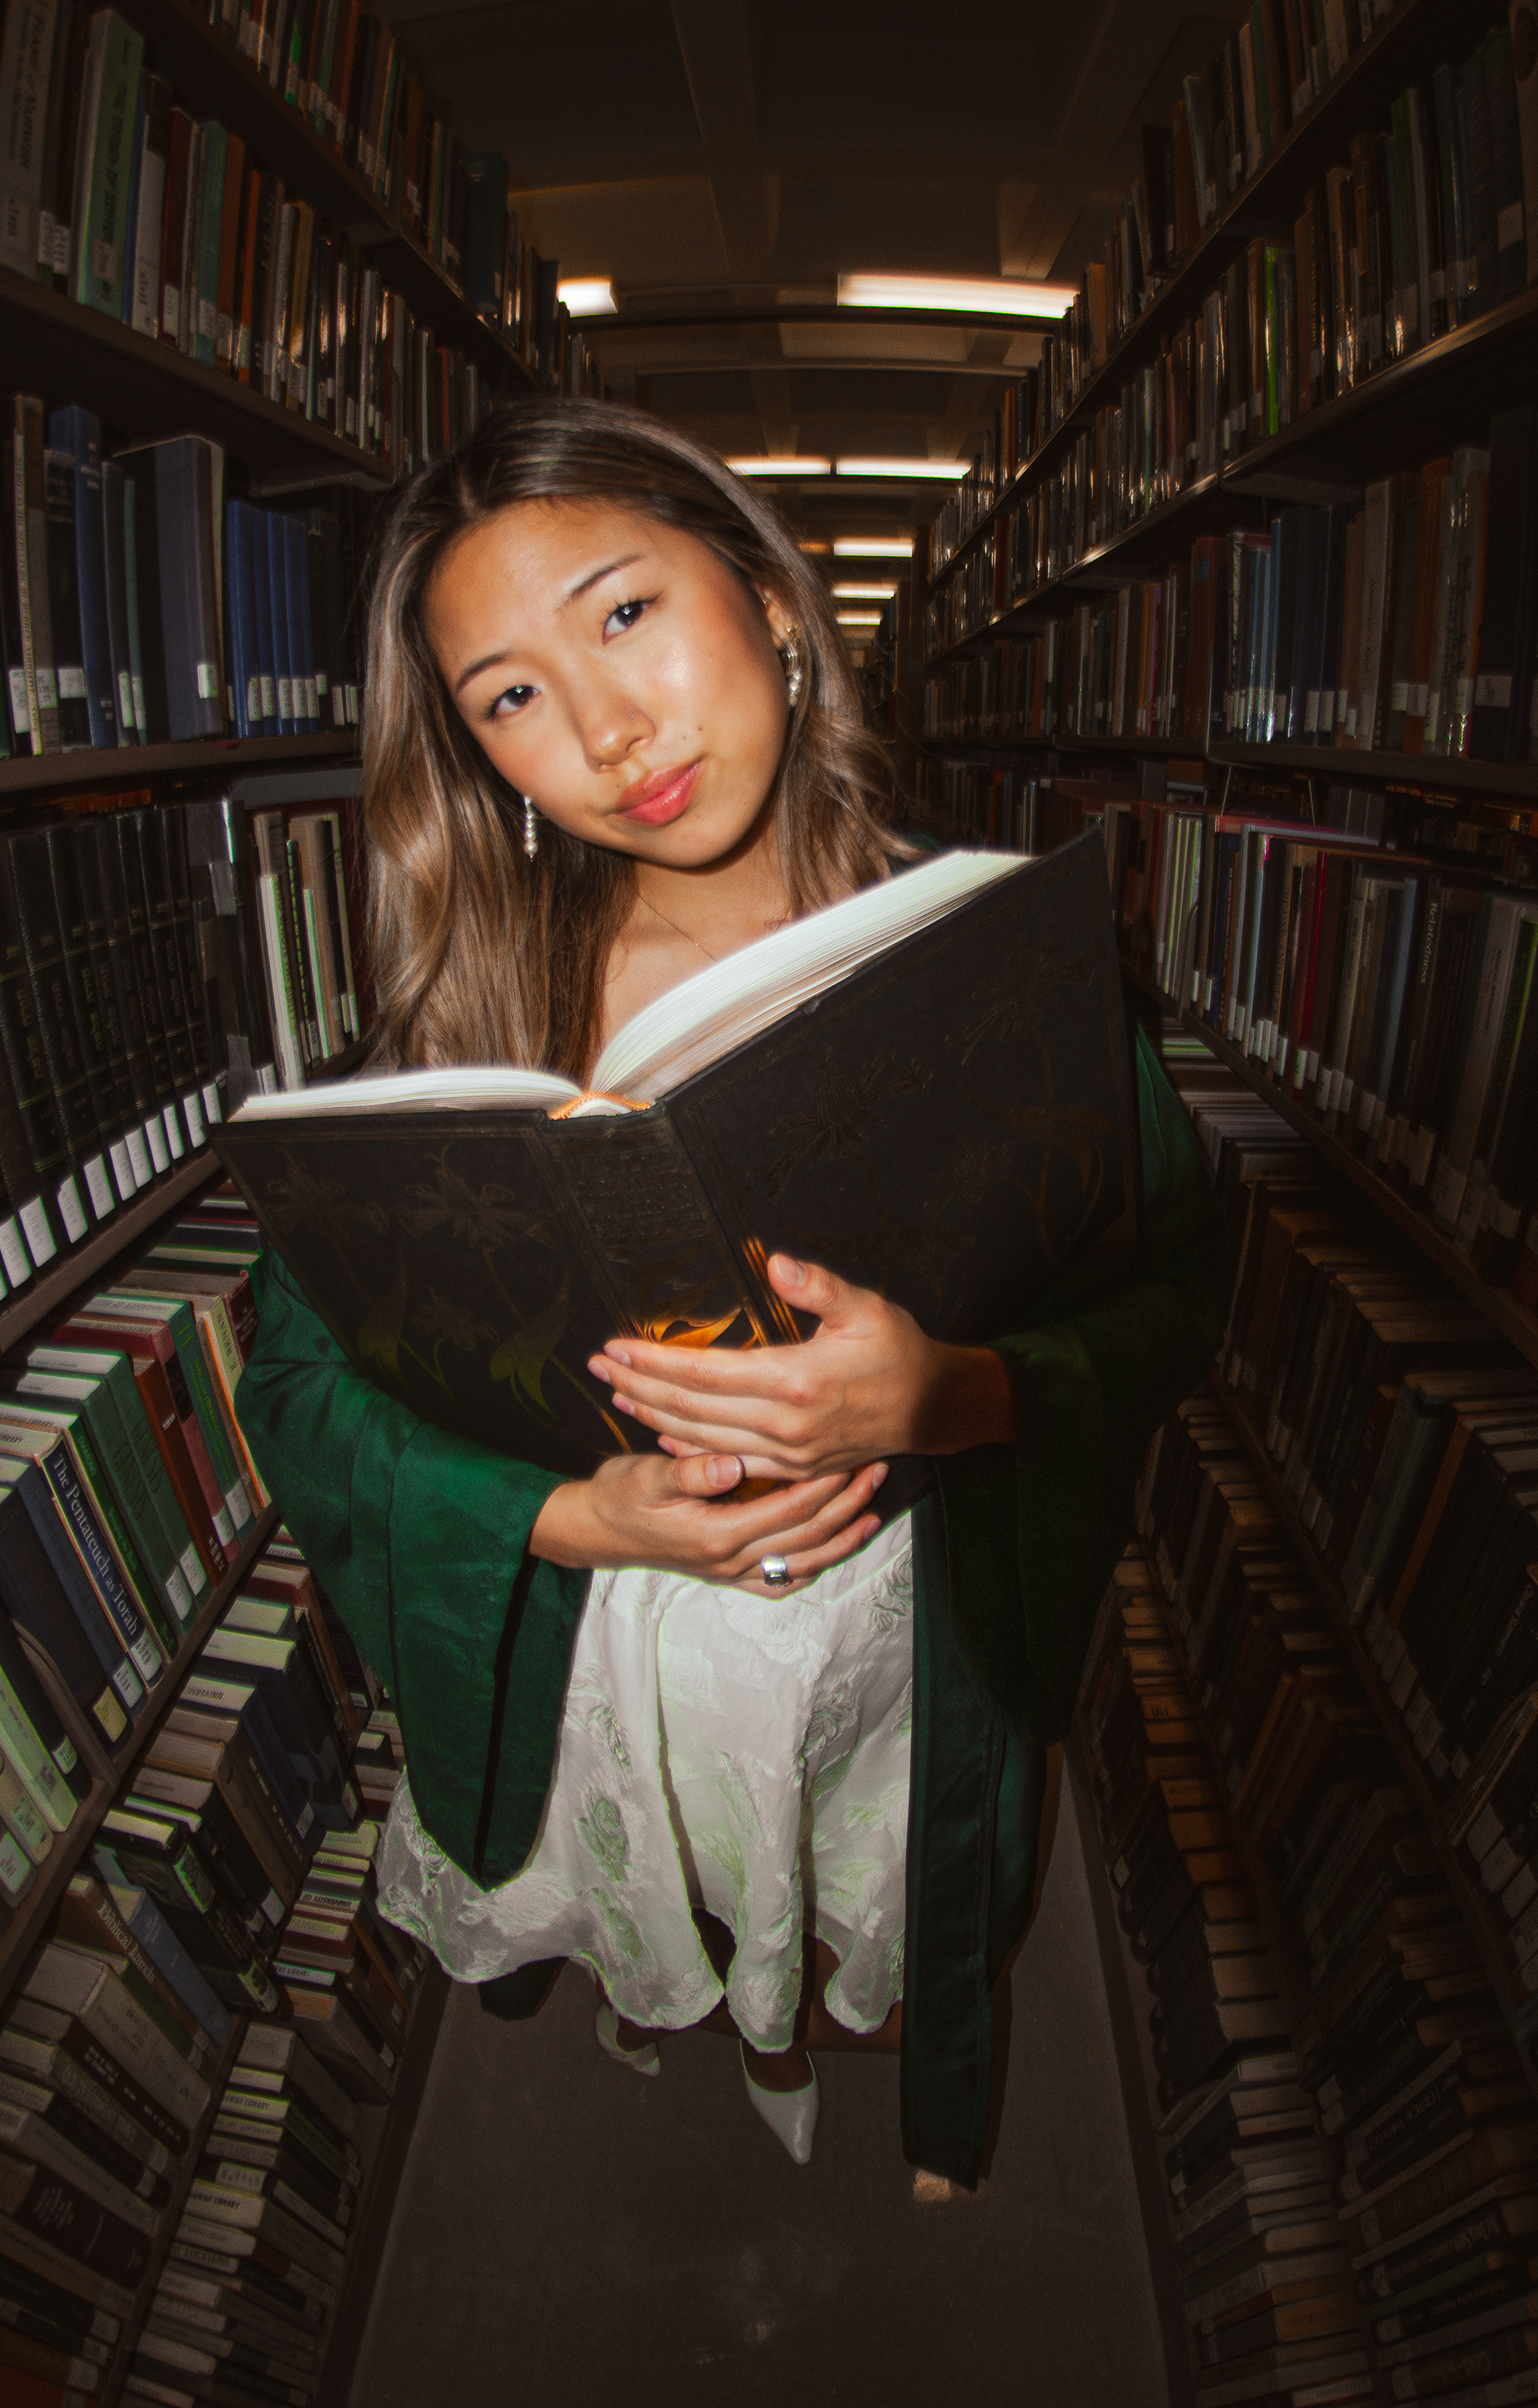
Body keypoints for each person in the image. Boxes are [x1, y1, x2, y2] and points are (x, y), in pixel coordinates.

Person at [234, 396, 1225, 2187]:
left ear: (768, 597)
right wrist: (570, 1518)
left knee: (876, 1924)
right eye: (510, 696)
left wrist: (954, 1394)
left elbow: (1173, 1296)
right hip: (627, 1644)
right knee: (687, 1904)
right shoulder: (472, 1028)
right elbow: (301, 1389)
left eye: (625, 613)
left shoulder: (999, 957)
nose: (606, 731)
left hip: (902, 1641)